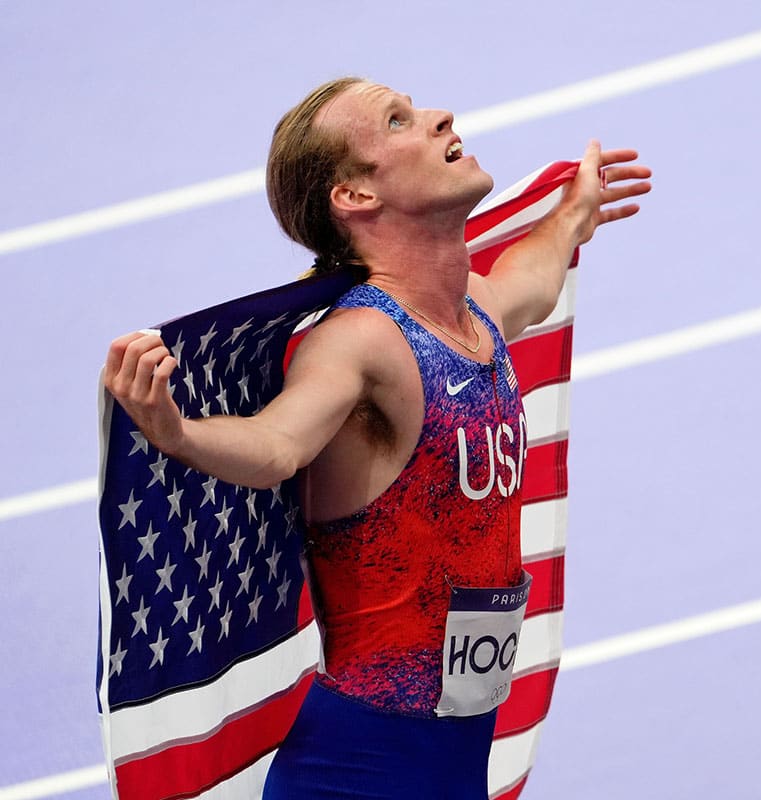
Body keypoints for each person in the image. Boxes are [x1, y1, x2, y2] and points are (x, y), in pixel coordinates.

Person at [103, 76, 651, 799]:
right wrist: (175, 433)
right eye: (399, 121)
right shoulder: (363, 342)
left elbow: (533, 280)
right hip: (361, 768)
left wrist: (571, 218)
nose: (439, 115)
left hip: (455, 753)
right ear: (356, 197)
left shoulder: (473, 313)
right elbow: (278, 447)